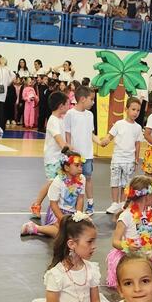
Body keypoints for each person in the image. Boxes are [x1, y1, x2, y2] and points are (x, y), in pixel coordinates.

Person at [106, 176, 152, 291]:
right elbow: (115, 241)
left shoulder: (147, 213)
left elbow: (151, 232)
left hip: (146, 255)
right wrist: (127, 245)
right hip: (131, 257)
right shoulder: (126, 216)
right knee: (144, 285)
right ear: (147, 196)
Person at [22, 151, 86, 238]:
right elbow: (53, 204)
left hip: (72, 213)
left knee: (82, 231)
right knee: (63, 234)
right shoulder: (58, 181)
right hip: (57, 213)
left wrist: (78, 216)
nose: (80, 168)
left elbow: (80, 198)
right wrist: (63, 220)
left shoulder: (82, 179)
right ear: (67, 168)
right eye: (77, 165)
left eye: (81, 165)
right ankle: (35, 228)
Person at [96, 98, 143, 215]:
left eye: (138, 110)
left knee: (126, 183)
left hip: (129, 160)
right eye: (133, 109)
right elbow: (110, 136)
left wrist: (136, 158)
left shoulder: (138, 128)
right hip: (117, 158)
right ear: (126, 109)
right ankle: (114, 203)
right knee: (115, 181)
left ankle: (123, 202)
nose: (135, 112)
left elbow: (138, 144)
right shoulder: (119, 124)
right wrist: (105, 141)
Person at [30, 92, 70, 216]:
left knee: (60, 183)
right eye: (68, 103)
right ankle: (36, 204)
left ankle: (60, 207)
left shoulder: (60, 120)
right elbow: (60, 141)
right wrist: (70, 150)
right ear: (61, 106)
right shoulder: (53, 121)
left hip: (60, 158)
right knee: (52, 182)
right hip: (53, 159)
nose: (69, 106)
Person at [63, 85, 99, 213]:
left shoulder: (90, 115)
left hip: (87, 154)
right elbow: (67, 133)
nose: (93, 102)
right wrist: (68, 149)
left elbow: (91, 133)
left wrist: (99, 141)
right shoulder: (70, 114)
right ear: (83, 99)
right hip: (75, 155)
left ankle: (90, 203)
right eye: (92, 99)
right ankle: (71, 204)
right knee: (73, 179)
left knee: (87, 178)